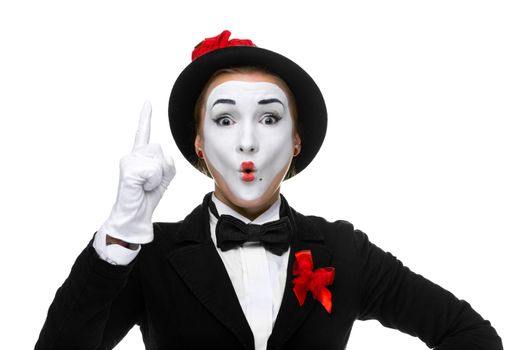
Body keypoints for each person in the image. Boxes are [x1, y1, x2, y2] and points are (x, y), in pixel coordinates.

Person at [35, 30, 503, 350]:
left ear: (295, 141)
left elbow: (472, 336)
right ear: (198, 143)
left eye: (269, 118)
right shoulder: (153, 258)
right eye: (224, 120)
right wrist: (120, 235)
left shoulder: (343, 251)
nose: (247, 141)